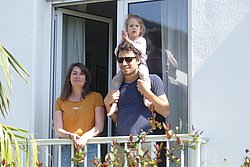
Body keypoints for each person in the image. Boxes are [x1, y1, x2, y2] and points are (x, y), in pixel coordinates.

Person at [54, 62, 105, 167]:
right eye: (74, 73)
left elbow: (99, 126)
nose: (78, 76)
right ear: (69, 78)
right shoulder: (60, 101)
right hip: (67, 147)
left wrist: (84, 138)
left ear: (86, 79)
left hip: (90, 147)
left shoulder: (96, 97)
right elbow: (58, 130)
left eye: (82, 74)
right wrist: (70, 136)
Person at [108, 14, 151, 116]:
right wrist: (123, 41)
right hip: (128, 68)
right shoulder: (123, 41)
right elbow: (116, 51)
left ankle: (146, 96)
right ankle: (114, 103)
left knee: (144, 74)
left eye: (136, 26)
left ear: (141, 29)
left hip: (141, 64)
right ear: (127, 29)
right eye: (131, 26)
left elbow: (140, 50)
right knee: (116, 79)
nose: (134, 28)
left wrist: (128, 41)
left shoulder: (141, 40)